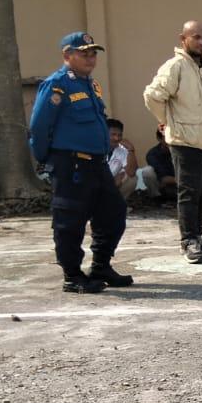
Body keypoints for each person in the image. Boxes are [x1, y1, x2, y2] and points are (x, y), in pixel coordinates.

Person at [27, 32, 132, 293]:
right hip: (71, 164)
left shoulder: (89, 85)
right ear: (67, 55)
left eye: (93, 53)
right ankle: (72, 275)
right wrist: (46, 159)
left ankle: (100, 265)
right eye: (83, 53)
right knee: (70, 221)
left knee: (113, 212)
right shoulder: (57, 85)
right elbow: (39, 128)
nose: (90, 58)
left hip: (96, 164)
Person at [143, 19, 202, 264]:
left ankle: (198, 237)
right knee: (189, 192)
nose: (201, 42)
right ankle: (188, 240)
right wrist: (165, 121)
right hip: (185, 141)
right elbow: (152, 96)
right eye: (196, 37)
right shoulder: (175, 66)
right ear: (183, 39)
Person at [105, 118, 140, 200]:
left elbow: (131, 173)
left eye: (119, 135)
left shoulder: (123, 150)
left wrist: (131, 150)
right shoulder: (94, 148)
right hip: (95, 186)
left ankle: (117, 203)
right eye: (113, 134)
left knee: (132, 179)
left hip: (112, 187)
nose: (117, 138)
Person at [140, 127, 176, 206]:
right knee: (147, 171)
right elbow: (164, 178)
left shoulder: (180, 152)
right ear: (159, 139)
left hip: (178, 185)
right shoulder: (153, 154)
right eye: (167, 137)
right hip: (163, 185)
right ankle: (156, 198)